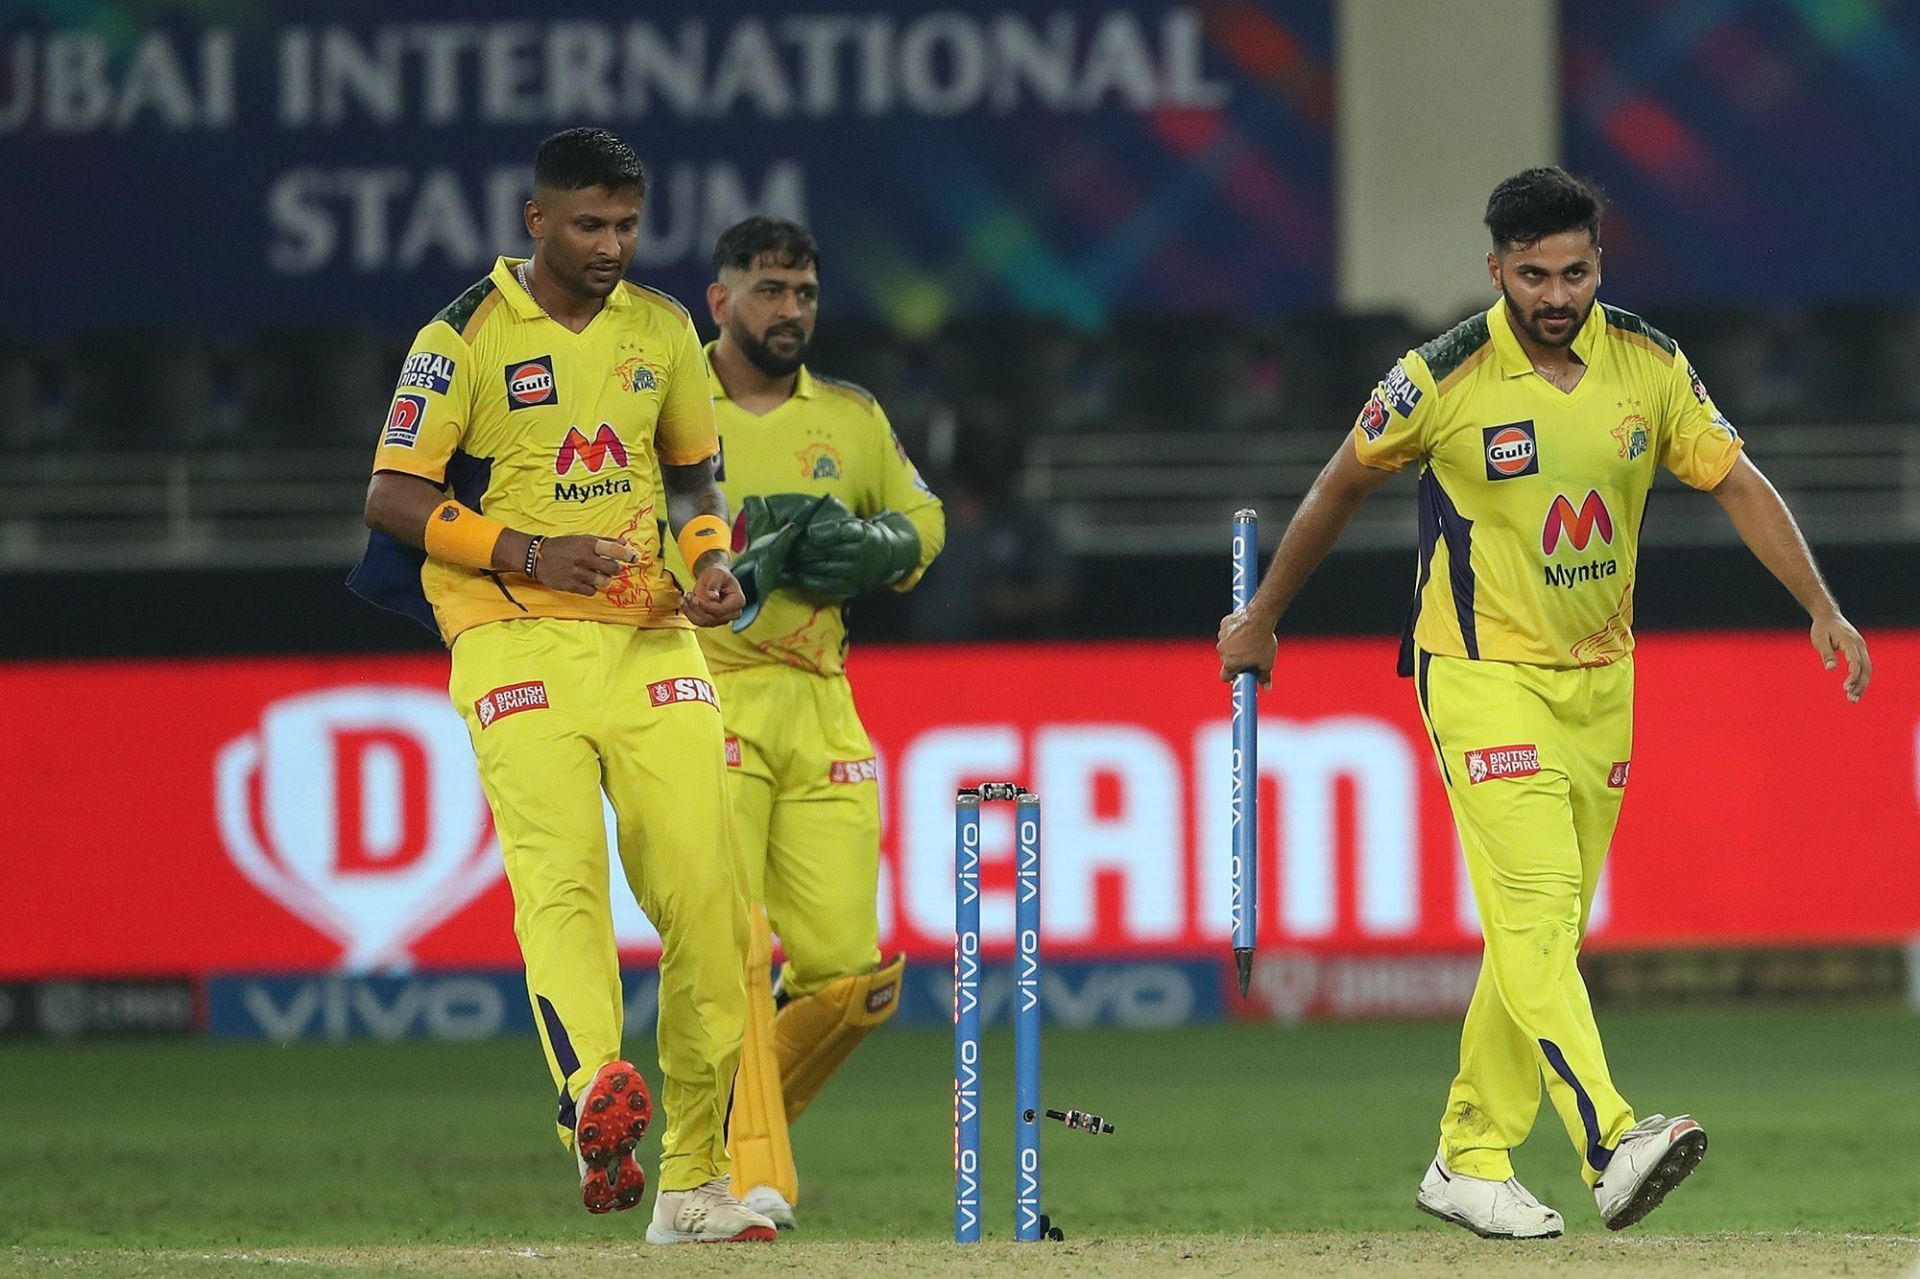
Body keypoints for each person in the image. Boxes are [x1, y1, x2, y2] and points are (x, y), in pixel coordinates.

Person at [1216, 167, 1872, 1239]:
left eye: (1575, 271)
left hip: (1601, 683)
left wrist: (1823, 606)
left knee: (1547, 930)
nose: (1557, 294)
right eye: (1534, 275)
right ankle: (1610, 1141)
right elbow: (1340, 481)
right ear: (1496, 272)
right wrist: (1262, 621)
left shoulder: (1650, 363)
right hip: (1477, 675)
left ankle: (1468, 1156)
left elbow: (1738, 480)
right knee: (1532, 909)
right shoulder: (1442, 375)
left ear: (1599, 264)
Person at [352, 128, 776, 1245]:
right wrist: (529, 553)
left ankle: (693, 1182)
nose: (611, 246)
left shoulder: (665, 329)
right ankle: (595, 1092)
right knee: (563, 884)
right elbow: (395, 497)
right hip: (511, 636)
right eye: (590, 225)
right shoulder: (464, 336)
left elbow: (694, 482)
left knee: (708, 900)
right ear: (537, 220)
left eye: (628, 226)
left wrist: (711, 564)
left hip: (648, 641)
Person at [685, 217, 945, 1229]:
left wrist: (881, 548)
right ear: (720, 300)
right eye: (766, 290)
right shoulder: (673, 409)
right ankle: (753, 1187)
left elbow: (922, 521)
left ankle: (703, 1143)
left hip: (822, 702)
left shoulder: (849, 416)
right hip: (703, 695)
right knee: (738, 947)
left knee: (850, 977)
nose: (788, 309)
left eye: (801, 292)